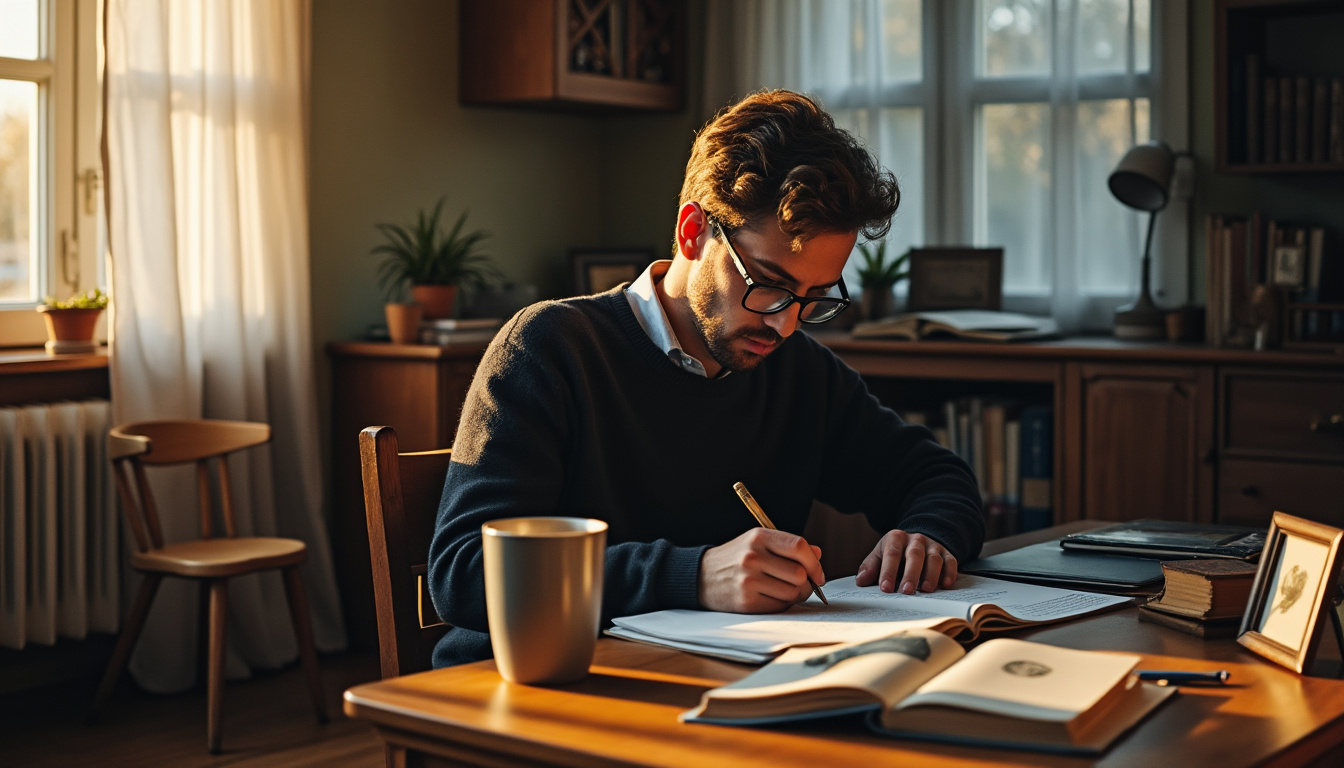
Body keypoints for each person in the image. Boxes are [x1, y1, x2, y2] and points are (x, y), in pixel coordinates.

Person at [427, 89, 984, 668]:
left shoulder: (798, 372)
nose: (787, 323)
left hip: (718, 681)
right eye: (768, 283)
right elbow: (464, 573)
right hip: (537, 689)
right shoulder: (552, 348)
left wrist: (928, 536)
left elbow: (935, 476)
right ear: (694, 232)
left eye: (815, 298)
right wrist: (691, 575)